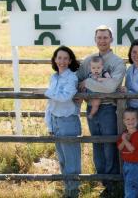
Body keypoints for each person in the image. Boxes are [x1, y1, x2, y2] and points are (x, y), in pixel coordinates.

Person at [76, 25, 126, 196]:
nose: (102, 40)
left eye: (105, 37)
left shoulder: (117, 62)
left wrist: (89, 84)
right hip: (91, 107)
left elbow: (111, 87)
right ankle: (102, 178)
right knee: (97, 143)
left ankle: (112, 183)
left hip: (108, 108)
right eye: (99, 37)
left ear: (111, 39)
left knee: (109, 144)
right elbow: (78, 80)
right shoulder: (88, 61)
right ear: (95, 39)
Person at [44, 46, 81, 198]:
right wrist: (49, 123)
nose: (62, 61)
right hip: (55, 119)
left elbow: (65, 96)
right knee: (62, 158)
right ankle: (67, 189)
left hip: (67, 120)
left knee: (71, 158)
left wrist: (45, 93)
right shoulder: (54, 77)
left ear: (70, 60)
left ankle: (73, 191)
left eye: (66, 58)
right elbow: (51, 104)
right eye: (59, 58)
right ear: (54, 59)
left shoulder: (72, 77)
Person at [117, 108, 138, 198]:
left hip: (135, 165)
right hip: (126, 164)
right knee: (132, 187)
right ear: (124, 121)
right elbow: (120, 148)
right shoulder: (124, 133)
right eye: (128, 119)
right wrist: (124, 139)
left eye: (133, 119)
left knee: (130, 189)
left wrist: (125, 140)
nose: (130, 121)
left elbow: (132, 149)